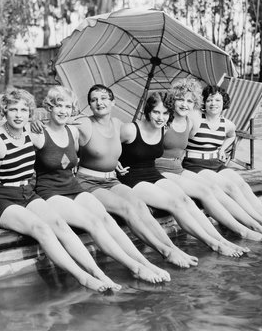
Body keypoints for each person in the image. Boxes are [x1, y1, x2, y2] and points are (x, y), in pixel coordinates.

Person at [0, 88, 120, 292]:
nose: (18, 115)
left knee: (60, 224)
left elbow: (58, 129)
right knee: (41, 229)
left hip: (27, 192)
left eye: (24, 110)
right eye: (13, 109)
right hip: (1, 199)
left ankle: (98, 273)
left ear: (30, 113)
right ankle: (83, 278)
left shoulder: (31, 132)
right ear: (4, 111)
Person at [27, 86, 169, 283]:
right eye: (58, 106)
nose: (63, 110)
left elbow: (94, 147)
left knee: (107, 220)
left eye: (67, 106)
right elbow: (10, 146)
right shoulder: (38, 133)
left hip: (73, 187)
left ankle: (145, 262)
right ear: (49, 107)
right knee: (93, 223)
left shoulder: (73, 132)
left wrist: (114, 160)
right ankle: (133, 267)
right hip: (50, 191)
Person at [71, 84, 198, 268]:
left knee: (140, 206)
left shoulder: (117, 124)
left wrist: (116, 161)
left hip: (112, 179)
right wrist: (38, 123)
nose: (99, 102)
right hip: (88, 181)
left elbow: (118, 149)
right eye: (94, 99)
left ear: (113, 102)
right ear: (89, 105)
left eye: (104, 98)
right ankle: (163, 252)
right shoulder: (85, 122)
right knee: (127, 208)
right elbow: (63, 122)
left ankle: (172, 248)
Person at [118, 91, 248, 258]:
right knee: (174, 204)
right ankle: (213, 244)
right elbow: (108, 149)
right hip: (132, 177)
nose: (160, 117)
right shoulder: (130, 129)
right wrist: (114, 163)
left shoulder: (163, 129)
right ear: (147, 111)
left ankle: (221, 239)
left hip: (153, 173)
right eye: (156, 112)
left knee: (186, 200)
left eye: (165, 113)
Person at [155, 78, 262, 241]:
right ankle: (247, 228)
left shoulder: (190, 122)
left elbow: (229, 135)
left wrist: (221, 149)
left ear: (195, 104)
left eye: (189, 101)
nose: (185, 104)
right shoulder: (168, 120)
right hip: (175, 167)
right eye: (180, 99)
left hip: (182, 167)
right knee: (215, 189)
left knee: (233, 186)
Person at [182, 84, 262, 237]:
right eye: (209, 100)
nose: (213, 103)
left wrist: (222, 149)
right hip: (195, 165)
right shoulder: (196, 118)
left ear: (224, 103)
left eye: (217, 100)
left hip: (216, 163)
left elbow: (232, 136)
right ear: (204, 102)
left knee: (242, 185)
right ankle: (259, 223)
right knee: (231, 187)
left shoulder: (227, 124)